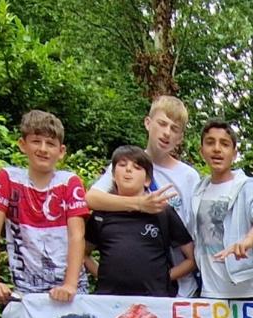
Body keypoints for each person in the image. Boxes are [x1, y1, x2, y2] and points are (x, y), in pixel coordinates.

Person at [85, 95, 204, 299]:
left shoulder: (189, 176)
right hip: (124, 288)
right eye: (162, 124)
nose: (167, 133)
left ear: (180, 137)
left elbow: (194, 230)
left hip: (178, 286)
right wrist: (140, 203)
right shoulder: (127, 164)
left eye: (174, 129)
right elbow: (92, 198)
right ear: (148, 123)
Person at [0, 109, 87, 310]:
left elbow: (76, 235)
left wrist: (70, 285)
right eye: (36, 141)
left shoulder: (70, 182)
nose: (43, 149)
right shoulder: (8, 179)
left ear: (61, 151)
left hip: (71, 289)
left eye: (50, 144)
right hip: (25, 292)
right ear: (22, 144)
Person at [86, 146, 195, 298]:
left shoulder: (163, 211)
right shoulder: (102, 213)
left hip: (155, 300)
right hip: (109, 302)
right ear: (113, 176)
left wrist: (163, 278)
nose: (128, 170)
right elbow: (84, 254)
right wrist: (103, 275)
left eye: (137, 167)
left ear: (147, 180)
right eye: (122, 165)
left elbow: (192, 258)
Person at [194, 119, 253, 301]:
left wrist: (247, 240)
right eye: (210, 143)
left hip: (248, 294)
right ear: (201, 151)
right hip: (209, 294)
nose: (217, 149)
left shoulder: (246, 186)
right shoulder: (197, 191)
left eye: (224, 144)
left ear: (234, 153)